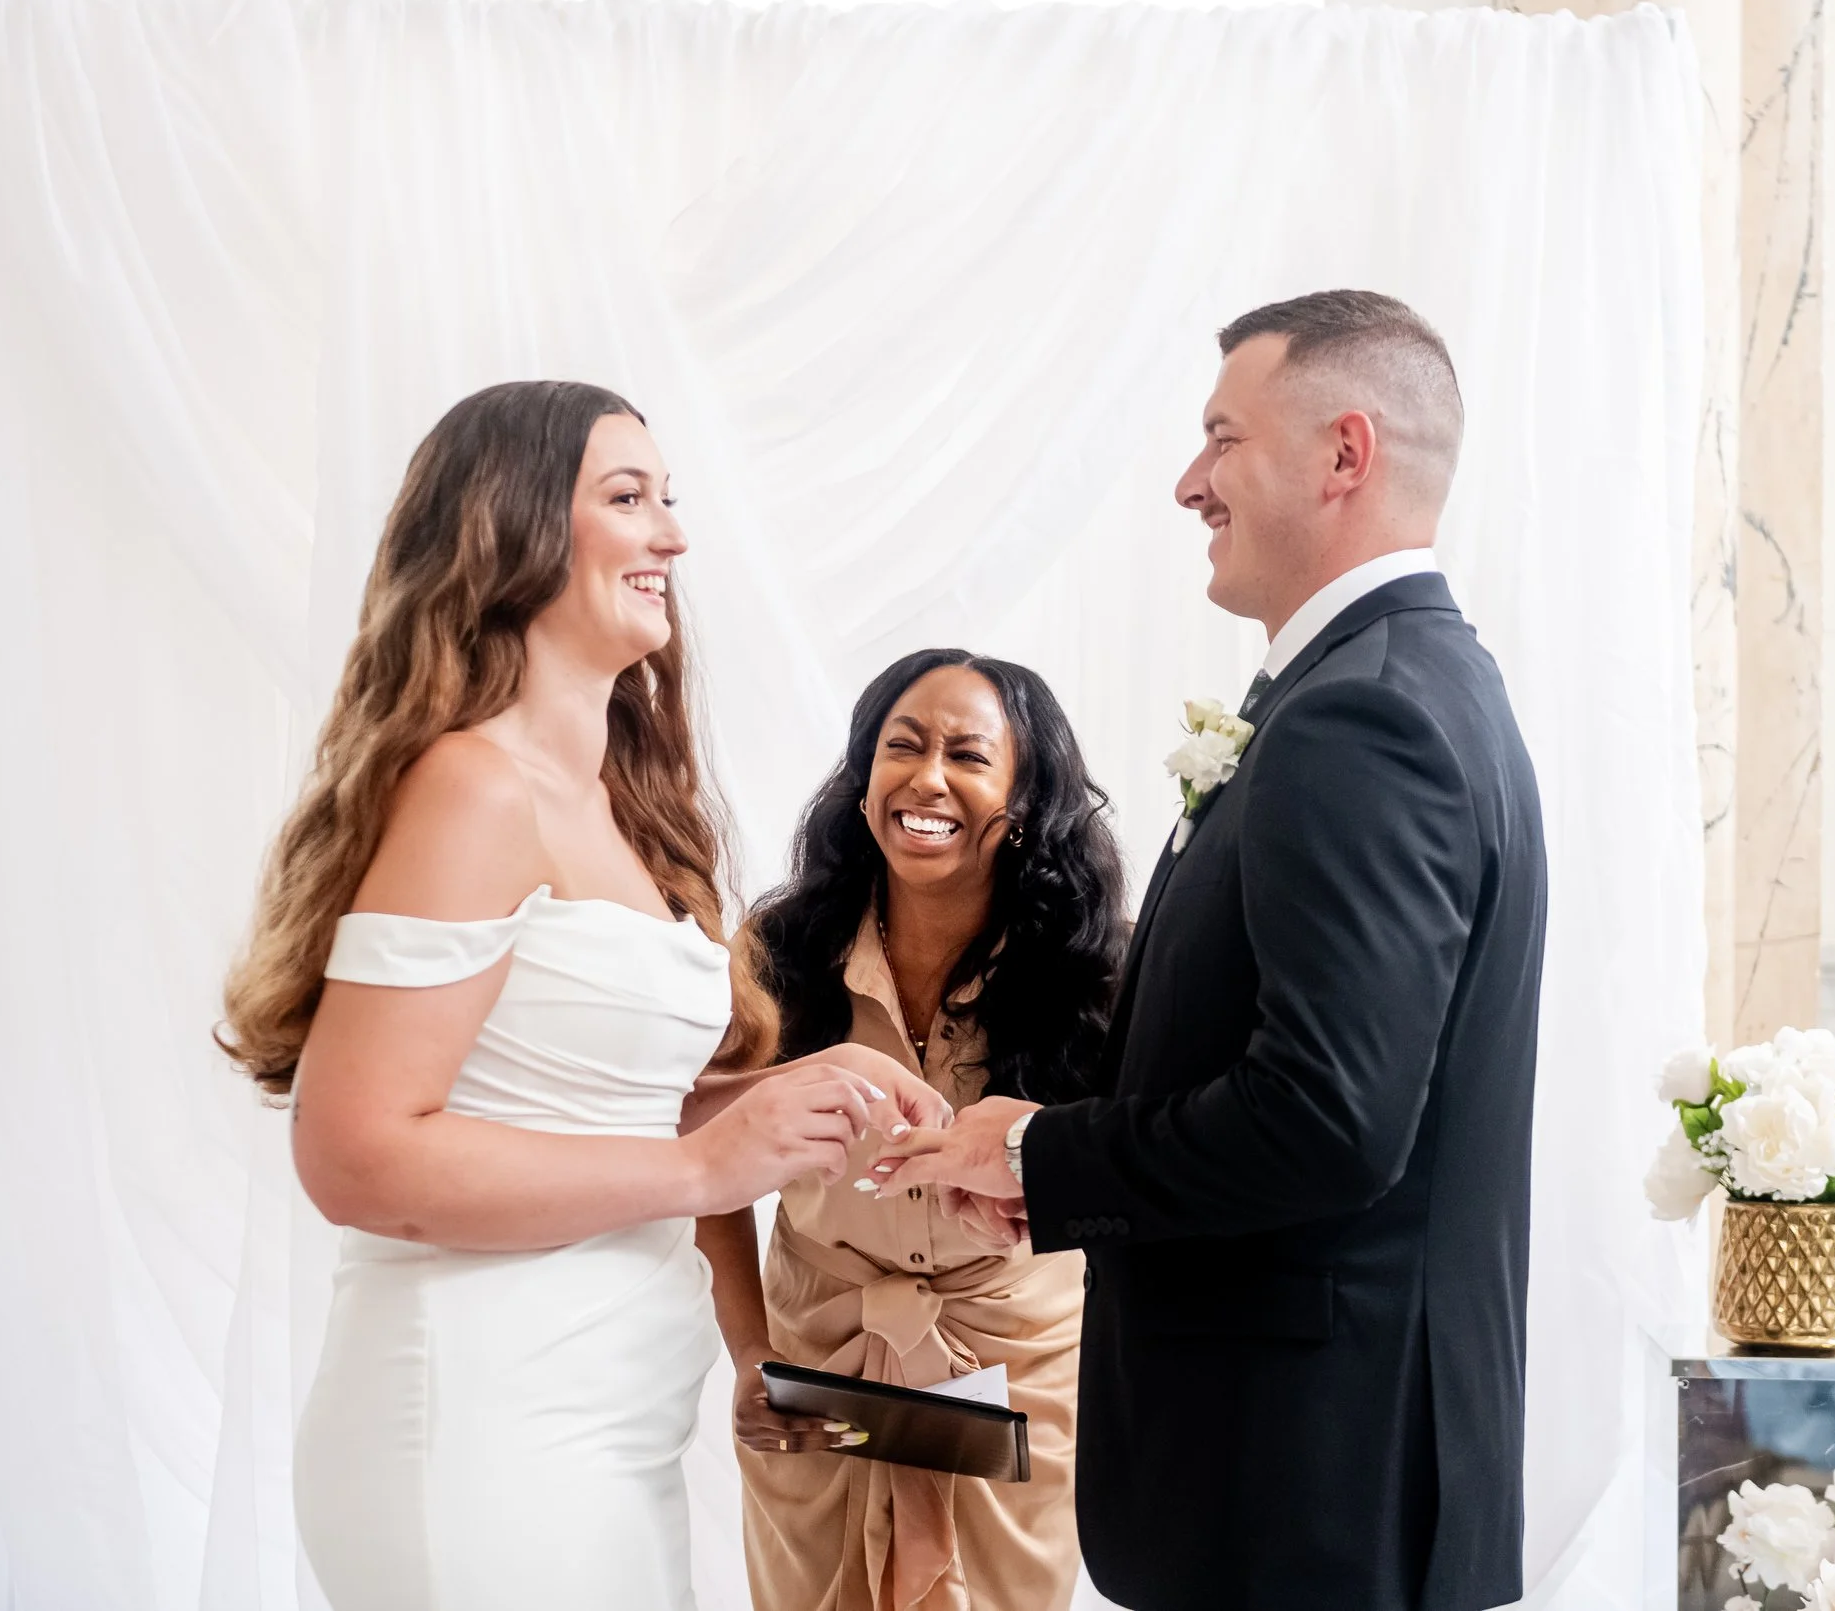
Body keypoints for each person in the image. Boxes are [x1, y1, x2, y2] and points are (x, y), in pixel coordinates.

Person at [217, 381, 945, 1611]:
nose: (673, 536)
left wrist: (794, 1089)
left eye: (670, 501)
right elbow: (354, 1154)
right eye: (628, 498)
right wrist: (709, 1173)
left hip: (604, 1429)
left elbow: (589, 1105)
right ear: (510, 529)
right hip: (482, 1426)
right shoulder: (473, 787)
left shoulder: (623, 809)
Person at [870, 291, 1548, 1611]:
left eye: (1222, 438)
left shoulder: (1364, 715)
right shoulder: (1397, 682)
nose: (1191, 482)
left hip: (1303, 1491)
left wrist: (1040, 1153)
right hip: (1312, 1479)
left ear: (1344, 454)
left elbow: (1330, 1116)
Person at [701, 650, 1127, 1611]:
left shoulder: (1092, 976)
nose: (927, 778)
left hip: (1020, 1383)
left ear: (1023, 806)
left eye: (969, 756)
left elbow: (1134, 1178)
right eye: (902, 746)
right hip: (816, 1372)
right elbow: (704, 1163)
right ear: (862, 786)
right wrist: (745, 1355)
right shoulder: (779, 950)